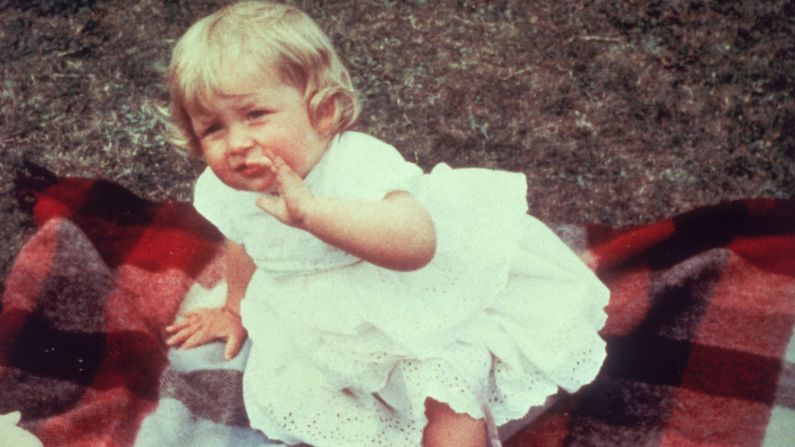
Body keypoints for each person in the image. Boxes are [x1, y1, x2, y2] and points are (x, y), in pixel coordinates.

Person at [164, 2, 609, 446]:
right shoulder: (233, 188)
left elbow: (416, 243)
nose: (237, 144)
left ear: (322, 109)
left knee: (445, 391)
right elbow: (247, 242)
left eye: (255, 115)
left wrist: (314, 214)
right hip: (326, 322)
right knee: (331, 399)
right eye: (213, 130)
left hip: (413, 307)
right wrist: (235, 308)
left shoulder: (356, 165)